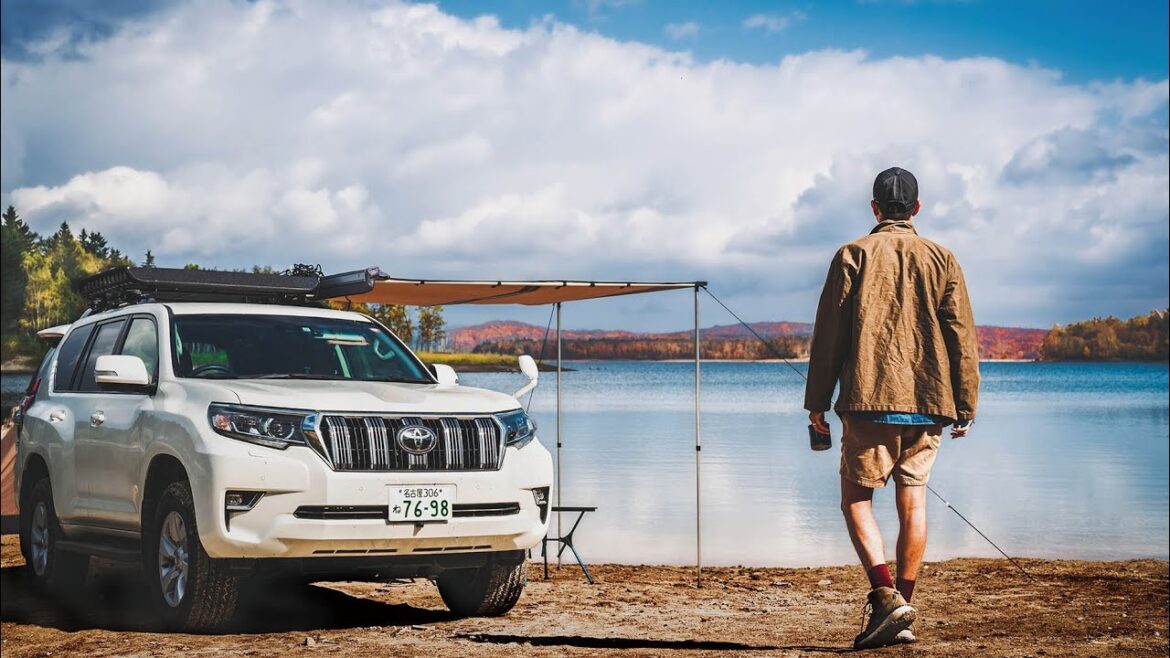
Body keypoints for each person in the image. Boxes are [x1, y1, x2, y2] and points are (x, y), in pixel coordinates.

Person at [804, 166, 980, 649]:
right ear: (917, 210)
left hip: (867, 400)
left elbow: (830, 336)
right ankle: (901, 606)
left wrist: (816, 404)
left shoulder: (852, 254)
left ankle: (887, 600)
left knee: (855, 501)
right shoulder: (943, 257)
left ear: (875, 209)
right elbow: (961, 337)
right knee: (913, 502)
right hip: (929, 404)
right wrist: (966, 404)